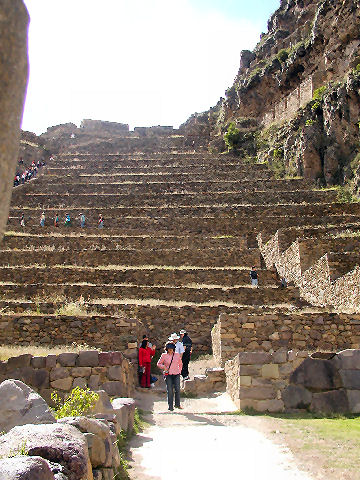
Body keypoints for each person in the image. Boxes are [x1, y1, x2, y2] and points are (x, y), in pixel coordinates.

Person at [157, 343, 183, 411]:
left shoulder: (177, 355)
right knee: (170, 390)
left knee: (177, 389)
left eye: (171, 349)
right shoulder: (164, 355)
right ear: (167, 349)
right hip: (168, 374)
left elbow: (180, 363)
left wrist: (179, 371)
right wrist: (164, 367)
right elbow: (159, 364)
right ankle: (170, 406)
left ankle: (177, 404)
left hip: (176, 373)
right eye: (169, 349)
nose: (170, 350)